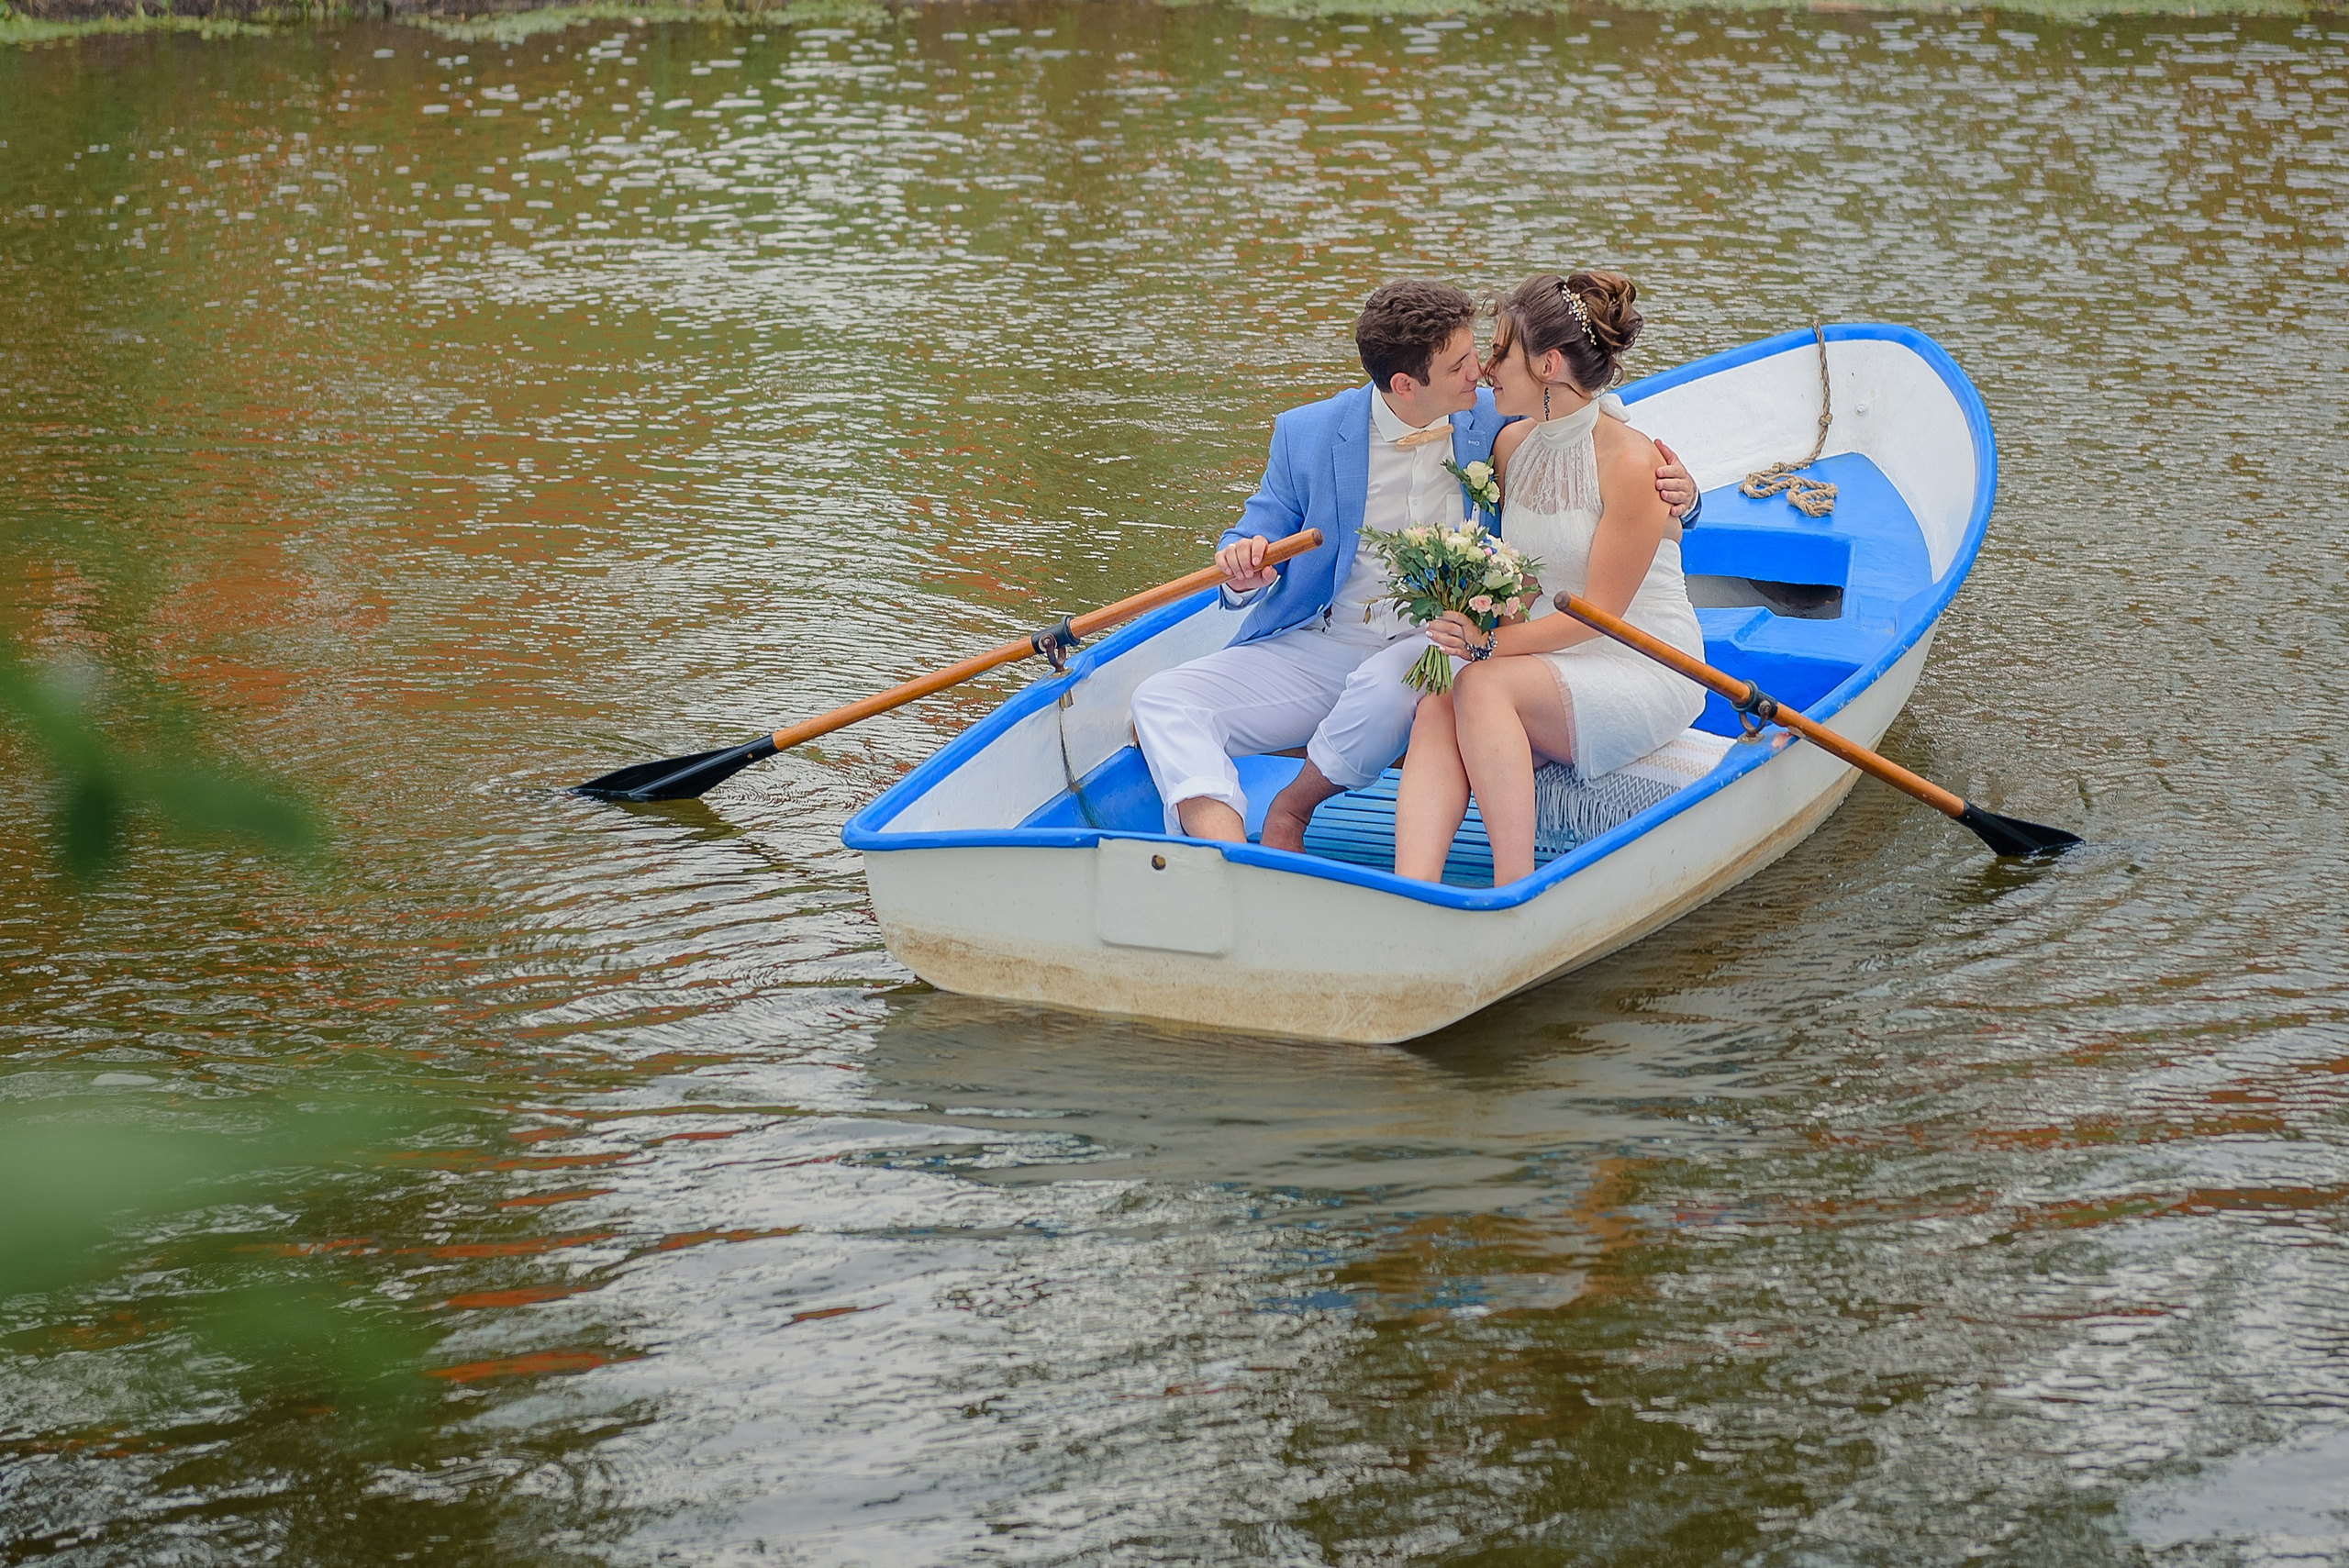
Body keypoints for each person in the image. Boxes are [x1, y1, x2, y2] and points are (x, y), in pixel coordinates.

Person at [1130, 279, 1698, 851]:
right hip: (1328, 639)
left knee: (1391, 690)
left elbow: (1591, 438)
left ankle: (1291, 808)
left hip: (1439, 643)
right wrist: (1243, 564)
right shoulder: (1306, 434)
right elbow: (1257, 528)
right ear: (1404, 384)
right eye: (1459, 365)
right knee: (1160, 699)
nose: (1479, 371)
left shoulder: (1497, 419)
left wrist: (1686, 494)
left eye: (1480, 353)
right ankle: (1221, 857)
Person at [1394, 269, 1706, 887]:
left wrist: (1484, 649)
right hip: (1550, 660)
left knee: (1480, 687)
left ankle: (1516, 890)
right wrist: (1482, 634)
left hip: (1638, 660)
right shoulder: (1511, 446)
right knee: (1438, 704)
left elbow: (1600, 615)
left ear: (1548, 365)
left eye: (1502, 350)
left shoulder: (1632, 463)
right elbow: (1520, 591)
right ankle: (1412, 891)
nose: (1486, 367)